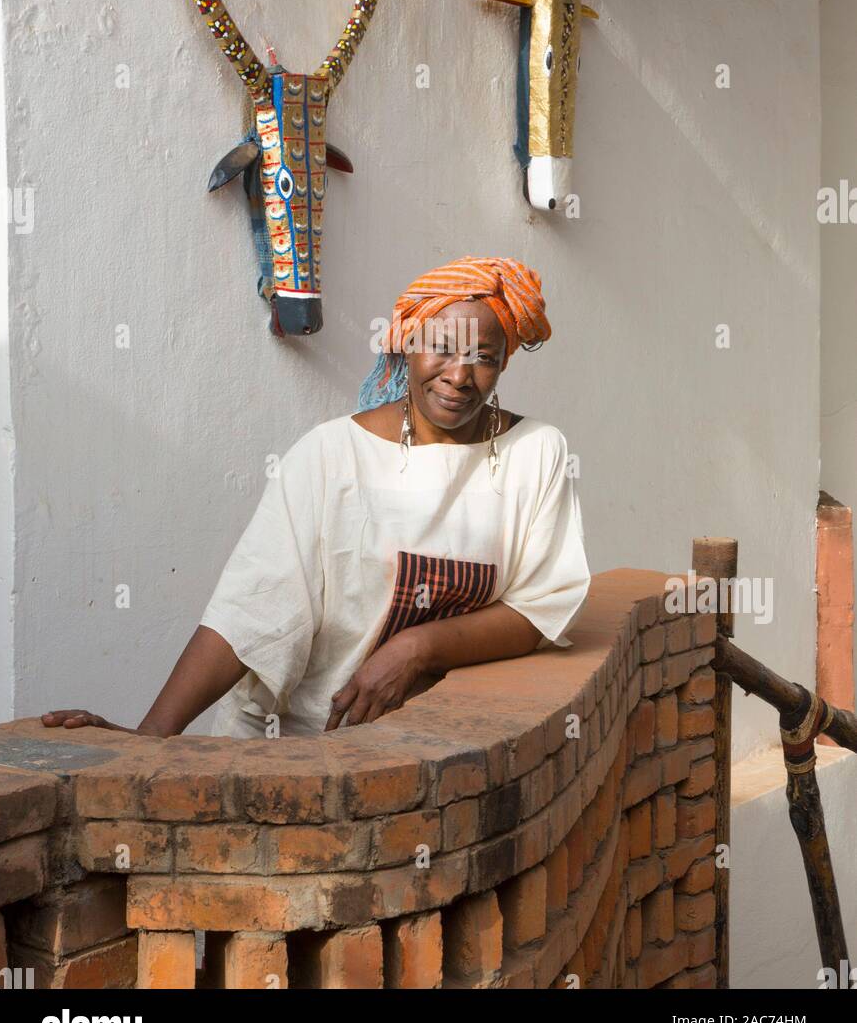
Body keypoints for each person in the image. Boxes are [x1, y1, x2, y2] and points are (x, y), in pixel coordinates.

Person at [42, 255, 590, 740]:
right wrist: (150, 740)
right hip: (297, 745)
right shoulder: (332, 455)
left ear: (504, 364)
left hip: (423, 754)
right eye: (441, 348)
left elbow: (540, 608)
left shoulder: (536, 453)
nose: (459, 376)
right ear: (407, 343)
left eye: (484, 358)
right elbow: (252, 610)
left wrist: (416, 647)